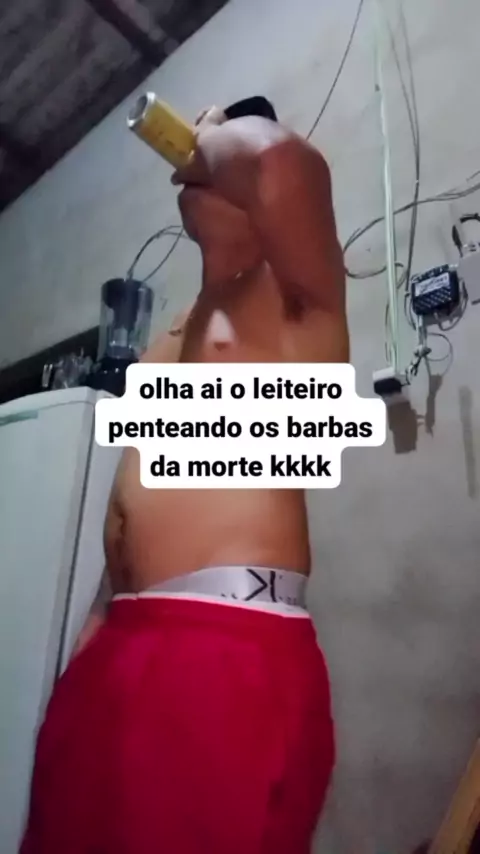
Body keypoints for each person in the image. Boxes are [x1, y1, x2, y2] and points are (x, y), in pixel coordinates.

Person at [21, 99, 349, 854]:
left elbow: (280, 164)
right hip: (124, 640)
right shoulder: (171, 337)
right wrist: (96, 633)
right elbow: (129, 507)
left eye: (221, 132)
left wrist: (208, 136)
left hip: (223, 648)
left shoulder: (296, 308)